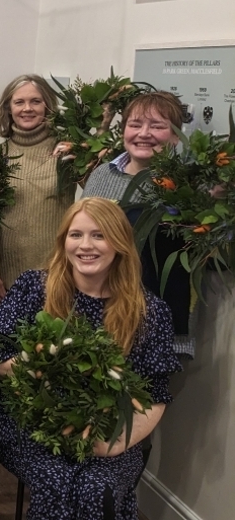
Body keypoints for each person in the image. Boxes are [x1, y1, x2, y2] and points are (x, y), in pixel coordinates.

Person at [0, 198, 180, 520]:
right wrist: (32, 363)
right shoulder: (33, 289)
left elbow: (155, 395)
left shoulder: (149, 312)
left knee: (97, 489)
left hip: (112, 433)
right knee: (57, 483)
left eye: (99, 235)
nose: (86, 245)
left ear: (119, 244)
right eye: (76, 234)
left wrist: (113, 444)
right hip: (31, 426)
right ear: (63, 241)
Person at [82, 91, 195, 357]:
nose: (144, 134)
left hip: (156, 317)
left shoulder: (187, 183)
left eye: (157, 126)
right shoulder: (101, 174)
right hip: (97, 311)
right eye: (135, 124)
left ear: (176, 135)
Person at [0, 75, 74, 303]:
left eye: (36, 101)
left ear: (48, 106)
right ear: (8, 108)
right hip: (4, 282)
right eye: (19, 102)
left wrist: (86, 153)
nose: (27, 108)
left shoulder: (66, 151)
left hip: (55, 277)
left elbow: (98, 193)